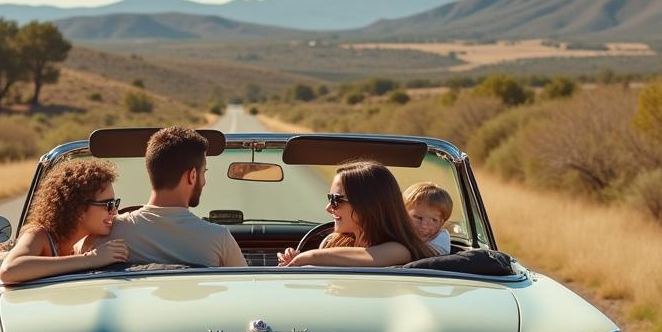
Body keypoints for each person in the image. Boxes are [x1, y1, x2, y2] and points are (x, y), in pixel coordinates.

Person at [82, 126, 247, 267]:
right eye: (204, 173)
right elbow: (247, 293)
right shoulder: (218, 238)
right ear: (192, 176)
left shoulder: (109, 233)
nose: (204, 182)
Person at [0, 158, 129, 282]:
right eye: (108, 204)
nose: (115, 211)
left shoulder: (99, 238)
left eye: (115, 203)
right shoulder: (40, 235)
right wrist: (91, 260)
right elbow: (9, 270)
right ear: (80, 209)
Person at [277, 160, 434, 267]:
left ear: (367, 205)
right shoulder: (332, 241)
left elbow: (370, 257)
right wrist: (294, 264)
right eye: (329, 198)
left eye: (335, 199)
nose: (328, 208)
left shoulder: (399, 251)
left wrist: (305, 258)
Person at [403, 182, 454, 255]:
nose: (424, 225)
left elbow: (427, 255)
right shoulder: (400, 230)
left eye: (434, 220)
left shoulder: (441, 237)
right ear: (403, 214)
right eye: (418, 217)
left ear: (441, 223)